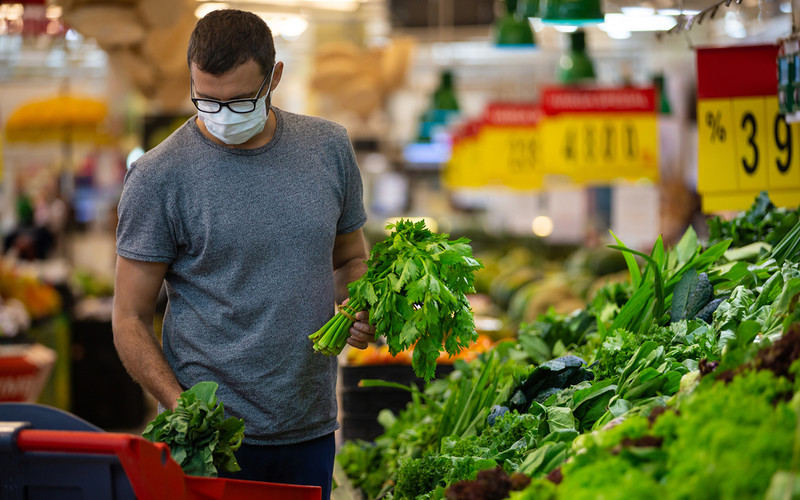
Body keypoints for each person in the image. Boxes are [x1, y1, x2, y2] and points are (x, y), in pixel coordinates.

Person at [112, 9, 376, 498]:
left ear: (274, 77)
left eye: (238, 101)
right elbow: (129, 317)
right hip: (208, 441)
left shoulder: (329, 148)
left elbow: (349, 260)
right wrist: (182, 408)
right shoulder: (158, 176)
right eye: (206, 101)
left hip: (310, 426)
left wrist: (358, 305)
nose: (221, 116)